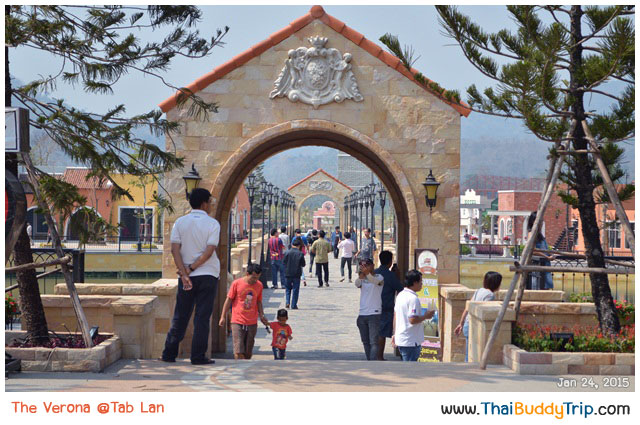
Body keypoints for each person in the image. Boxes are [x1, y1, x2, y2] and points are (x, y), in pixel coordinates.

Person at [162, 188, 220, 365]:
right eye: (210, 202)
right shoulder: (213, 224)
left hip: (186, 277)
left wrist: (184, 272)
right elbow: (209, 252)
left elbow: (174, 249)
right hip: (207, 274)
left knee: (181, 314)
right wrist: (191, 268)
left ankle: (169, 353)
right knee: (202, 317)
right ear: (204, 203)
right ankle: (198, 356)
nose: (211, 205)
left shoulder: (180, 222)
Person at [219, 263, 271, 359]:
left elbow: (259, 301)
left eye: (258, 278)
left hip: (252, 322)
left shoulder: (259, 285)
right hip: (237, 320)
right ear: (247, 274)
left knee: (248, 353)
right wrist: (223, 316)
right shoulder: (236, 283)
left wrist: (262, 315)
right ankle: (238, 366)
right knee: (238, 350)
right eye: (253, 277)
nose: (255, 280)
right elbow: (229, 300)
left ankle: (244, 365)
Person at [454, 271, 503, 362]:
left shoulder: (479, 290)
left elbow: (467, 307)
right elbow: (486, 312)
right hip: (474, 326)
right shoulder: (490, 295)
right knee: (471, 355)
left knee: (469, 352)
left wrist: (461, 323)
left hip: (467, 324)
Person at [392, 269, 435, 362]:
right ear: (415, 283)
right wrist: (426, 316)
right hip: (410, 341)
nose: (421, 284)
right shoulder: (413, 299)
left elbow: (396, 316)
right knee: (410, 368)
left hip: (403, 339)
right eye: (420, 282)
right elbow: (412, 320)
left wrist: (395, 334)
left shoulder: (400, 295)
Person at [374, 250, 404, 360]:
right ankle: (379, 356)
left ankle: (374, 354)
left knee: (376, 332)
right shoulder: (391, 275)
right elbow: (400, 289)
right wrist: (398, 276)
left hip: (374, 306)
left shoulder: (375, 272)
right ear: (390, 262)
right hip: (386, 307)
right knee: (382, 333)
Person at [354, 258, 384, 360]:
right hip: (362, 314)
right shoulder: (363, 278)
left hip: (374, 313)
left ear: (372, 266)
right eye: (362, 266)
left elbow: (377, 282)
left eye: (366, 265)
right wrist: (361, 275)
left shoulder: (379, 277)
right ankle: (369, 360)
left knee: (374, 342)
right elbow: (357, 284)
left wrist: (367, 274)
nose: (364, 267)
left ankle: (372, 363)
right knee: (365, 342)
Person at [282, 237, 306, 309]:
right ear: (298, 246)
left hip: (287, 273)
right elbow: (303, 264)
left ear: (292, 245)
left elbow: (283, 262)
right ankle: (293, 304)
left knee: (288, 289)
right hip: (296, 274)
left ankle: (287, 302)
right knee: (295, 290)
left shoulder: (287, 252)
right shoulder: (300, 253)